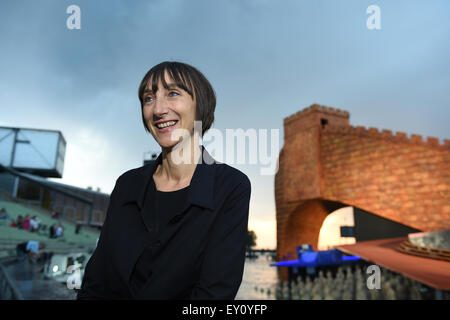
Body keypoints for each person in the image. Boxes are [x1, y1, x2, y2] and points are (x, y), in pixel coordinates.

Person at [77, 61, 251, 300]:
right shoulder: (126, 185)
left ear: (200, 104)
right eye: (148, 98)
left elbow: (215, 294)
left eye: (172, 93)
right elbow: (96, 279)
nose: (158, 109)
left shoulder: (230, 186)